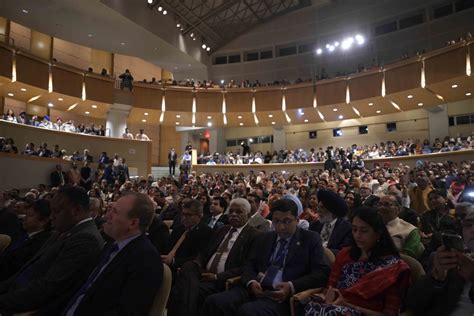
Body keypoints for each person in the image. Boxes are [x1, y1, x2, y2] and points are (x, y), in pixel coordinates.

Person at [202, 198, 330, 316]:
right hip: (255, 288)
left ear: (297, 220)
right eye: (276, 221)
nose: (281, 227)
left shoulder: (310, 239)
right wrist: (251, 282)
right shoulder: (265, 238)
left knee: (248, 311)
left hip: (283, 297)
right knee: (214, 301)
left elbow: (321, 273)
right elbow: (249, 264)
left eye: (287, 221)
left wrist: (291, 286)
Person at [0, 186, 104, 315]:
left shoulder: (86, 239)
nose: (51, 217)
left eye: (56, 211)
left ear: (76, 210)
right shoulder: (62, 231)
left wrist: (3, 300)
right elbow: (29, 269)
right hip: (16, 293)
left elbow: (49, 287)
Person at [62, 193, 163, 316]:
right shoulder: (112, 245)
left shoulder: (146, 259)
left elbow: (127, 312)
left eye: (114, 212)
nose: (106, 216)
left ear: (133, 223)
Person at [305, 207, 411, 316]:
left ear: (378, 234)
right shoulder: (345, 254)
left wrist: (348, 306)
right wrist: (327, 298)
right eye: (354, 229)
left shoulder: (393, 267)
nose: (357, 235)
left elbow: (390, 314)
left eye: (364, 231)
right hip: (335, 307)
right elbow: (330, 289)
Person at [168, 198, 260, 316]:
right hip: (204, 273)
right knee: (188, 266)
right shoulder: (222, 230)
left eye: (239, 212)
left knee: (184, 291)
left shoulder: (254, 235)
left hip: (222, 280)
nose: (233, 215)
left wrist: (217, 277)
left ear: (248, 214)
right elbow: (205, 253)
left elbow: (246, 266)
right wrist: (198, 263)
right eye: (231, 211)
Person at [406, 204, 474, 315]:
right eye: (468, 224)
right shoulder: (452, 261)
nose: (473, 229)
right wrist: (436, 277)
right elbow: (413, 304)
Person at [0, 199, 52, 281]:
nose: (25, 218)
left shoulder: (39, 243)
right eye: (26, 215)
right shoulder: (23, 233)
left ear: (43, 221)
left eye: (30, 215)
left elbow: (11, 265)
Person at [162, 199, 213, 273]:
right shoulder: (178, 229)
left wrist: (174, 261)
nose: (184, 218)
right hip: (167, 265)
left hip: (185, 269)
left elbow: (198, 257)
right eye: (183, 214)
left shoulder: (206, 232)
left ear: (200, 215)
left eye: (189, 215)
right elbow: (168, 247)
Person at [378, 193, 424, 259]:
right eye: (380, 204)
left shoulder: (410, 230)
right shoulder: (370, 226)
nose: (381, 207)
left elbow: (408, 257)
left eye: (387, 204)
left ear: (399, 209)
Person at [309, 189, 352, 255]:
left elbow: (343, 252)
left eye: (322, 207)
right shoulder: (314, 225)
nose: (318, 210)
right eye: (318, 207)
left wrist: (322, 250)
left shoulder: (346, 228)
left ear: (332, 211)